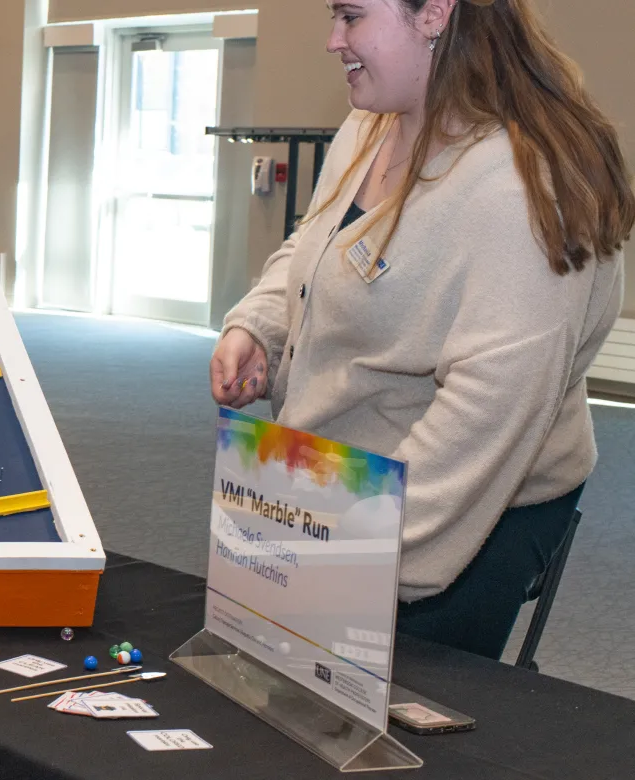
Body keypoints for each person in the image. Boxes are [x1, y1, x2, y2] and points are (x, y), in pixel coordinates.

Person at [212, 0, 632, 660]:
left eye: (351, 17)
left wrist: (349, 550)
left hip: (463, 507)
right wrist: (260, 327)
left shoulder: (522, 187)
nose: (332, 40)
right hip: (339, 490)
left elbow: (486, 409)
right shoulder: (369, 126)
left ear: (434, 12)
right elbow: (317, 242)